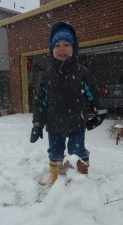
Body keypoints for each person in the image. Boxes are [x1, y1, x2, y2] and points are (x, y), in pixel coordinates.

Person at [30, 21, 107, 185]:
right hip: (54, 124)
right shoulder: (46, 76)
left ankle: (81, 177)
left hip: (76, 123)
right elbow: (40, 103)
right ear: (52, 50)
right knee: (55, 152)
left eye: (66, 44)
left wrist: (100, 110)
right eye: (57, 45)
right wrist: (37, 123)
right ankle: (54, 175)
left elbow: (93, 93)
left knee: (78, 151)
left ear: (74, 48)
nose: (61, 48)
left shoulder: (81, 72)